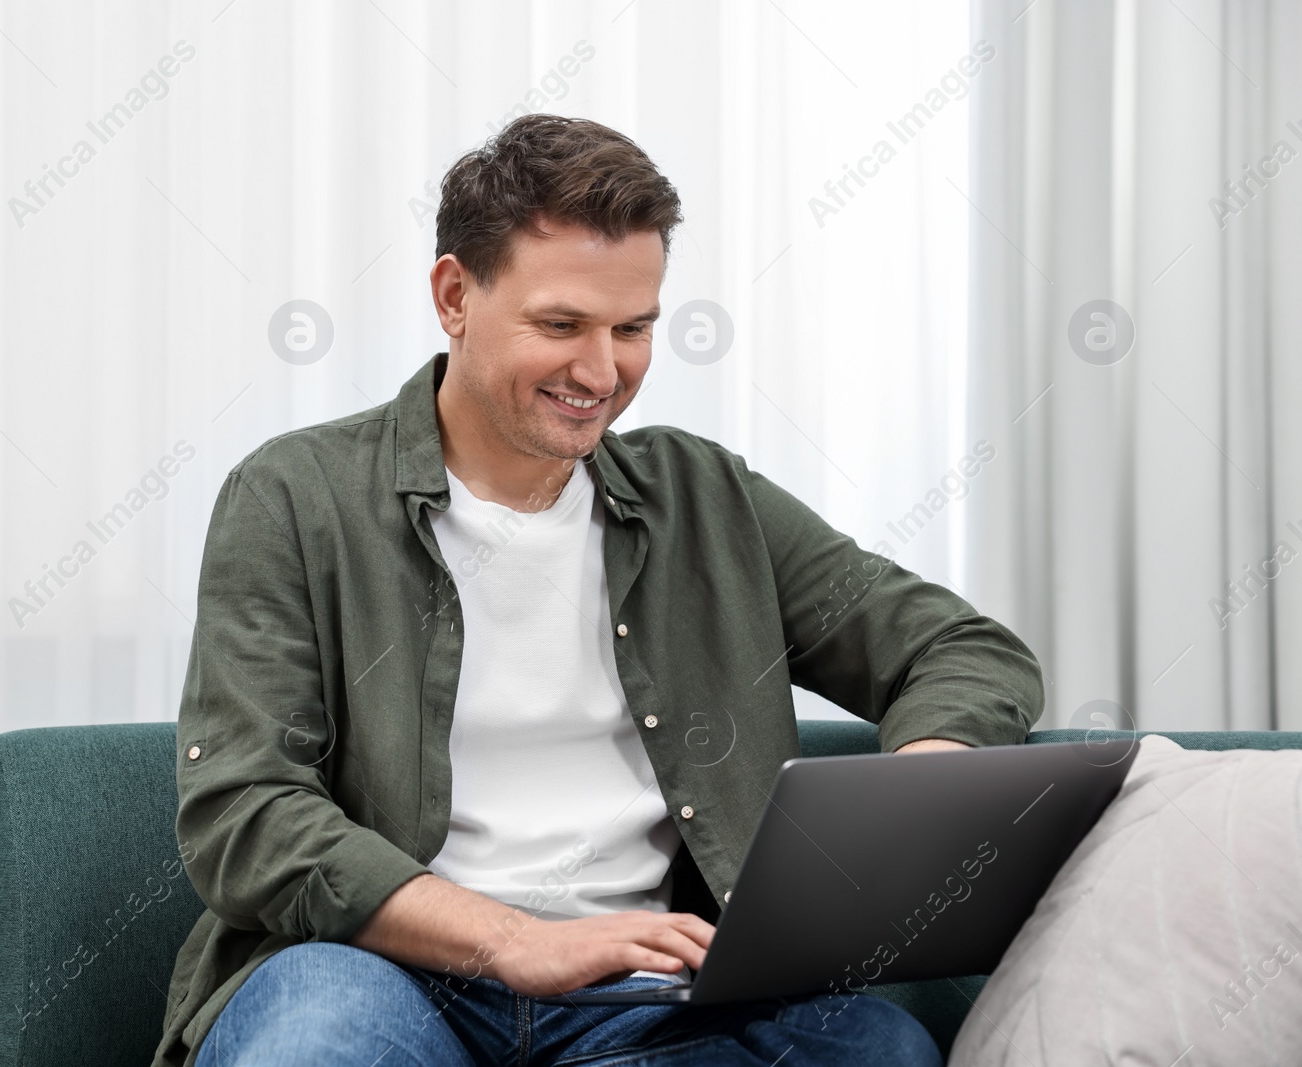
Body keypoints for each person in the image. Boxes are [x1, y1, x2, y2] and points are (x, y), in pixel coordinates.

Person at [156, 114, 1043, 1067]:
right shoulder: (295, 497)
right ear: (455, 295)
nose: (601, 371)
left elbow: (966, 650)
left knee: (878, 1050)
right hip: (374, 969)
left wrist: (916, 786)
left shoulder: (706, 498)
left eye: (634, 329)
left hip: (651, 999)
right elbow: (244, 812)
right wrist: (515, 940)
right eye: (561, 324)